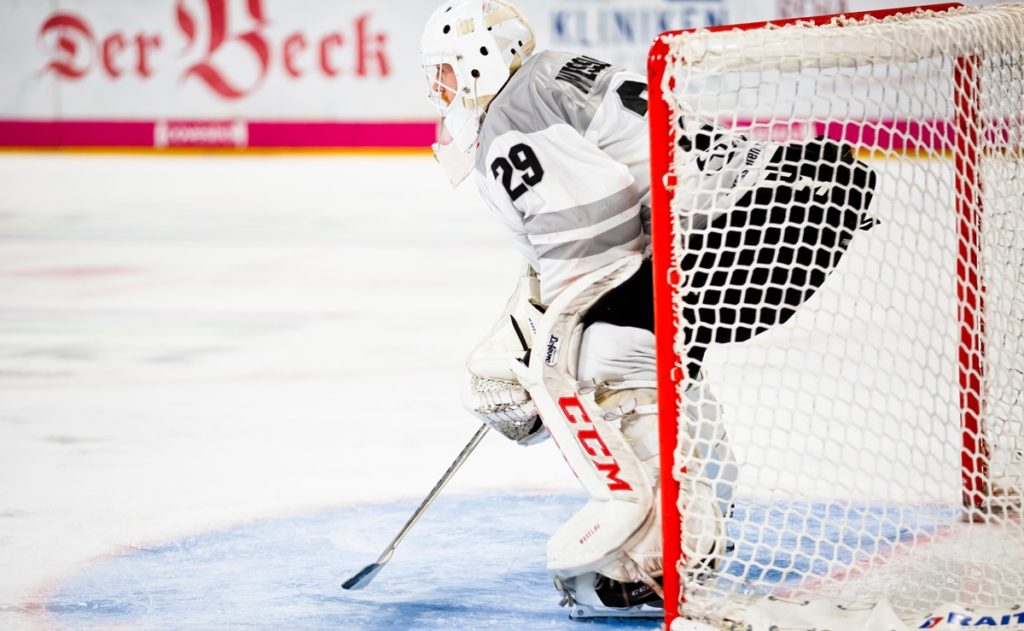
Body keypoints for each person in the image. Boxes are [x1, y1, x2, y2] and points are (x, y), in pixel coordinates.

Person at [418, 0, 878, 618]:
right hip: (798, 194)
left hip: (763, 220)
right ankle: (698, 518)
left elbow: (596, 232)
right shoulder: (547, 76)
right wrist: (531, 315)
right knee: (645, 337)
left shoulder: (510, 118)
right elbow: (609, 219)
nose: (438, 90)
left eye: (443, 72)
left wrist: (539, 342)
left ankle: (655, 551)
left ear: (477, 62)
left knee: (599, 351)